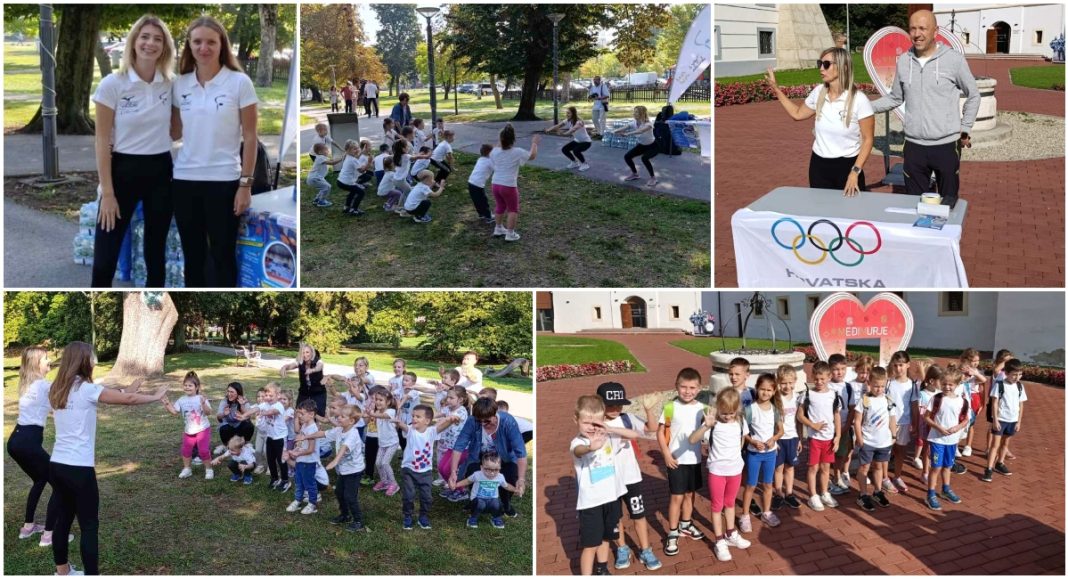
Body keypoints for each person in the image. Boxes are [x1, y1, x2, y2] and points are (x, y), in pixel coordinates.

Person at [47, 341, 168, 576]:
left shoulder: (57, 388)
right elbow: (127, 401)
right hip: (79, 469)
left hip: (58, 465)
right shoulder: (87, 390)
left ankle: (62, 572)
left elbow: (118, 396)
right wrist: (155, 396)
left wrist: (130, 388)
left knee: (63, 520)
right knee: (89, 526)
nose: (94, 362)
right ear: (84, 361)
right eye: (92, 358)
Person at [171, 16, 258, 287]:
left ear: (222, 45)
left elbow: (251, 136)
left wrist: (245, 184)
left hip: (224, 182)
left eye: (211, 42)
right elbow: (173, 133)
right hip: (184, 181)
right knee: (193, 257)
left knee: (222, 255)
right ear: (189, 45)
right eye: (197, 42)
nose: (203, 48)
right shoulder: (179, 84)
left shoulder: (239, 83)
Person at [91, 15, 176, 288]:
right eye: (144, 37)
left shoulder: (171, 84)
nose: (150, 43)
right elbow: (102, 141)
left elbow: (177, 131)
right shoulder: (112, 84)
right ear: (133, 42)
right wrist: (108, 192)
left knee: (155, 255)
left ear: (165, 47)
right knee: (106, 255)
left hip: (161, 172)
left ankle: (154, 305)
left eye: (157, 38)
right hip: (122, 173)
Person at [870, 9, 979, 206]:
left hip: (946, 146)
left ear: (935, 31)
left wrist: (965, 127)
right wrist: (863, 107)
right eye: (912, 28)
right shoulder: (904, 61)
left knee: (948, 204)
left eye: (923, 28)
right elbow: (895, 98)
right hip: (914, 147)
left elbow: (974, 95)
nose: (917, 34)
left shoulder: (953, 60)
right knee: (915, 205)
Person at [766, 47, 874, 195]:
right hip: (819, 166)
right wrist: (776, 89)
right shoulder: (818, 93)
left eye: (827, 64)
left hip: (848, 167)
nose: (821, 68)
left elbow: (868, 140)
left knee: (849, 214)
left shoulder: (859, 99)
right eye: (820, 64)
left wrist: (855, 171)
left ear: (843, 66)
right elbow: (797, 114)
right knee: (822, 213)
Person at [597, 382, 663, 571]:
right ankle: (622, 548)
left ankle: (645, 549)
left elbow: (650, 428)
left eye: (619, 404)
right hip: (610, 480)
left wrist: (649, 409)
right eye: (610, 405)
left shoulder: (627, 418)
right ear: (600, 404)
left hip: (631, 478)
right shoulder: (595, 424)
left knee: (639, 514)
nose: (616, 409)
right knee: (615, 517)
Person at [570, 395, 638, 575]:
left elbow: (634, 435)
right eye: (586, 423)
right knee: (591, 544)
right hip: (591, 503)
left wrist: (609, 428)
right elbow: (578, 451)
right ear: (576, 420)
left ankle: (602, 568)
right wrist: (591, 447)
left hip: (611, 498)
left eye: (597, 423)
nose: (592, 427)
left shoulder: (608, 437)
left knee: (607, 537)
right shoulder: (579, 442)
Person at [8, 347, 64, 547]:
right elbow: (63, 400)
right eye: (46, 358)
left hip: (16, 441)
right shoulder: (42, 385)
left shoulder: (27, 384)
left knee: (41, 479)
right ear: (35, 364)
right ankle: (49, 535)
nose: (50, 360)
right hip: (28, 442)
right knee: (60, 483)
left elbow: (50, 407)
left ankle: (28, 527)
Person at [689, 388, 752, 562]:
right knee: (717, 507)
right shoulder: (713, 423)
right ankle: (719, 540)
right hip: (717, 471)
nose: (727, 416)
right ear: (718, 407)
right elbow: (693, 440)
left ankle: (731, 534)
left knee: (730, 504)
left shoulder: (739, 421)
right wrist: (705, 426)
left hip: (735, 470)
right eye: (724, 413)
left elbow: (742, 439)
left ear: (737, 409)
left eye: (731, 413)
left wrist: (736, 456)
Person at [448, 397, 528, 518]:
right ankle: (474, 501)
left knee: (511, 474)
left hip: (504, 459)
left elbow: (521, 453)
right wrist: (453, 472)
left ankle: (506, 504)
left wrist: (521, 479)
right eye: (479, 420)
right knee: (472, 471)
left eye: (486, 421)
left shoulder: (508, 421)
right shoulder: (472, 421)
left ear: (495, 414)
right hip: (479, 457)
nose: (482, 423)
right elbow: (459, 446)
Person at [657, 367, 708, 557]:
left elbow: (706, 431)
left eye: (692, 387)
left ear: (699, 388)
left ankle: (686, 524)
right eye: (683, 387)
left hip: (694, 459)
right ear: (676, 386)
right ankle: (672, 531)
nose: (688, 391)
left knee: (690, 494)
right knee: (676, 497)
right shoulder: (670, 407)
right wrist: (666, 455)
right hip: (676, 460)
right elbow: (660, 432)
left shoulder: (702, 408)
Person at [302, 404, 368, 532]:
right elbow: (323, 433)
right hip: (344, 470)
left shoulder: (353, 434)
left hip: (354, 471)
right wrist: (306, 436)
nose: (338, 417)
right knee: (339, 493)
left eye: (342, 416)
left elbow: (343, 448)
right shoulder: (339, 430)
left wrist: (335, 461)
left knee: (350, 496)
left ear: (351, 421)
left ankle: (358, 521)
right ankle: (345, 515)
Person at [394, 404, 458, 529]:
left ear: (427, 421)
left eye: (418, 417)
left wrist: (451, 420)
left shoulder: (431, 432)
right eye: (413, 416)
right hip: (409, 470)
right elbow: (402, 425)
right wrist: (397, 422)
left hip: (425, 472)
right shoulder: (411, 430)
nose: (414, 419)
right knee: (408, 495)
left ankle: (423, 516)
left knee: (427, 497)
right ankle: (408, 516)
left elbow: (442, 426)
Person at [738, 374, 784, 531]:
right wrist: (752, 442)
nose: (765, 393)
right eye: (762, 389)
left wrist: (774, 439)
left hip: (770, 454)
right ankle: (744, 515)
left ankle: (767, 511)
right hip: (754, 454)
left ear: (774, 391)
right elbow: (744, 432)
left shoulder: (775, 410)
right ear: (757, 389)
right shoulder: (750, 409)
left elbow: (781, 430)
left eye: (769, 390)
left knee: (767, 484)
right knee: (750, 485)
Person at [796, 361, 842, 511]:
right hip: (814, 439)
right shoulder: (808, 394)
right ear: (812, 377)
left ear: (829, 377)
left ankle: (824, 493)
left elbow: (837, 417)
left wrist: (838, 436)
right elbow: (799, 416)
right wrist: (812, 425)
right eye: (816, 379)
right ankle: (813, 496)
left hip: (829, 439)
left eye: (822, 379)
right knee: (813, 468)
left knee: (825, 468)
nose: (819, 382)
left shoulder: (834, 395)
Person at [923, 366, 969, 510]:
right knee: (936, 467)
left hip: (952, 440)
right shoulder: (936, 399)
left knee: (948, 466)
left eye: (950, 384)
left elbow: (965, 420)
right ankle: (930, 494)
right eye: (944, 384)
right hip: (937, 440)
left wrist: (957, 428)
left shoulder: (962, 401)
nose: (947, 387)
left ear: (957, 385)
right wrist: (939, 428)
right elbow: (926, 418)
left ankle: (945, 489)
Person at [853, 367, 897, 512]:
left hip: (883, 442)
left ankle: (877, 491)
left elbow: (892, 419)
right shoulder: (864, 400)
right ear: (869, 384)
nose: (879, 389)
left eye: (882, 386)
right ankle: (863, 494)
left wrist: (894, 435)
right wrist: (859, 438)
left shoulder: (888, 400)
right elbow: (858, 421)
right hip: (868, 441)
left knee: (878, 467)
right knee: (864, 467)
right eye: (876, 386)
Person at [490, 124, 540, 242]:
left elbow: (499, 147)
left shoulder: (494, 151)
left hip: (495, 184)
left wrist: (503, 136)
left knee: (500, 205)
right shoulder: (517, 152)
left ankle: (498, 228)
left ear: (501, 139)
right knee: (513, 209)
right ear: (513, 139)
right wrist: (534, 143)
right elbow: (532, 156)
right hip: (508, 185)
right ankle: (510, 234)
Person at [161, 371, 215, 480]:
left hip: (202, 429)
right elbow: (174, 412)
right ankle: (187, 469)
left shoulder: (201, 398)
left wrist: (203, 404)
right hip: (188, 430)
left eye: (190, 385)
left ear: (197, 387)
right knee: (186, 450)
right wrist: (167, 404)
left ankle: (209, 469)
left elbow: (209, 413)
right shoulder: (182, 400)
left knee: (203, 450)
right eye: (185, 385)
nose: (187, 387)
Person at [237, 382, 289, 491]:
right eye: (266, 395)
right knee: (270, 459)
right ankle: (274, 478)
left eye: (271, 396)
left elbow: (272, 411)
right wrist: (244, 415)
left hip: (280, 438)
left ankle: (285, 480)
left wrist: (263, 413)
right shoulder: (265, 404)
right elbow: (255, 409)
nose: (268, 398)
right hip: (270, 436)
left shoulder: (279, 405)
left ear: (278, 395)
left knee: (281, 460)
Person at [982, 359, 1026, 482]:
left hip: (1012, 420)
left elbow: (1021, 405)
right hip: (1001, 420)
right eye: (1014, 374)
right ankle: (989, 469)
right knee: (994, 445)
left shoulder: (1019, 386)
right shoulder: (999, 385)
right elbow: (995, 404)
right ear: (1006, 373)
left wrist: (1019, 421)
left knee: (1005, 444)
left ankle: (1000, 463)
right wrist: (995, 420)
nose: (1017, 377)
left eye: (1019, 374)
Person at [452, 450, 519, 529]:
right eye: (488, 469)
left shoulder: (500, 477)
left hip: (491, 500)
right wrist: (455, 485)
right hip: (478, 500)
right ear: (481, 467)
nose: (492, 473)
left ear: (500, 468)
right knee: (480, 503)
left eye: (496, 469)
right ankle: (473, 518)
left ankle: (496, 518)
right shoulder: (477, 475)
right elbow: (467, 481)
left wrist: (515, 489)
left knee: (497, 503)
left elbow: (506, 486)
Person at [771, 364, 803, 511]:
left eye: (790, 383)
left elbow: (799, 420)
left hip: (792, 437)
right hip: (779, 439)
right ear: (778, 382)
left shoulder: (797, 398)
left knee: (790, 467)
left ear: (795, 381)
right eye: (783, 383)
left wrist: (800, 439)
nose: (787, 386)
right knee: (778, 468)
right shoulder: (775, 399)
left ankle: (789, 493)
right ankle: (778, 494)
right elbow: (770, 421)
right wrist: (773, 439)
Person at [886, 351, 919, 493]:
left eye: (901, 365)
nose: (898, 368)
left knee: (901, 451)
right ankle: (884, 478)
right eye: (896, 365)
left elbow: (914, 406)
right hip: (888, 423)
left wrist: (915, 424)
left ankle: (897, 476)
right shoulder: (888, 383)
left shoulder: (912, 385)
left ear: (907, 365)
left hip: (904, 422)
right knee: (886, 451)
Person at [827, 353, 857, 496]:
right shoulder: (826, 386)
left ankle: (837, 477)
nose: (840, 372)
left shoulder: (848, 387)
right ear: (829, 370)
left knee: (840, 455)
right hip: (827, 429)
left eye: (843, 368)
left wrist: (845, 427)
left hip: (844, 427)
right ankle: (826, 480)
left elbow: (852, 409)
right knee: (826, 457)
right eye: (836, 369)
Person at [285, 400, 322, 515]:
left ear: (311, 414)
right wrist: (294, 450)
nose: (299, 416)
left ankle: (312, 504)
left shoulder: (312, 429)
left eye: (302, 413)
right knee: (299, 482)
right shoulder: (305, 425)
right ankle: (298, 500)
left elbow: (311, 449)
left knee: (309, 483)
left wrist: (297, 454)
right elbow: (301, 443)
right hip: (301, 460)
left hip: (309, 462)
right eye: (298, 413)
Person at [366, 386, 401, 496]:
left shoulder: (390, 411)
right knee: (378, 463)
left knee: (385, 463)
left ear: (388, 402)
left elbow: (383, 416)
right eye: (376, 399)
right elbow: (371, 416)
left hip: (392, 443)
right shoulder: (377, 411)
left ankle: (394, 484)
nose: (377, 402)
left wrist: (372, 413)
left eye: (381, 400)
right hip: (382, 443)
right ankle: (384, 481)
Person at [613, 106, 658, 188]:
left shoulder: (648, 124)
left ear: (642, 114)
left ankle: (653, 178)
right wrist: (616, 131)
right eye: (634, 111)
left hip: (653, 146)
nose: (634, 113)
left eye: (636, 112)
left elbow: (640, 131)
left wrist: (627, 134)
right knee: (627, 156)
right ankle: (635, 174)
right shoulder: (633, 122)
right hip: (641, 145)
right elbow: (625, 127)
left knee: (644, 158)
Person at [280, 344, 327, 418]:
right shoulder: (300, 361)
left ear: (312, 352)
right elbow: (291, 365)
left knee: (317, 416)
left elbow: (319, 367)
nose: (305, 355)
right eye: (303, 353)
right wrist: (285, 367)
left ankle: (317, 428)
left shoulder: (318, 361)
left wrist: (312, 370)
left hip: (318, 392)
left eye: (307, 352)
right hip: (304, 392)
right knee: (299, 413)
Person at [547, 106, 592, 172]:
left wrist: (563, 134)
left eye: (568, 113)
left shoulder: (579, 122)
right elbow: (558, 125)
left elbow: (572, 130)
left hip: (586, 142)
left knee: (576, 151)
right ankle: (575, 163)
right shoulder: (567, 120)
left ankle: (585, 164)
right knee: (565, 149)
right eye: (566, 113)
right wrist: (548, 130)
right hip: (577, 141)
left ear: (573, 114)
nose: (567, 114)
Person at [215, 382, 254, 453]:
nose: (229, 394)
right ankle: (226, 445)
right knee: (224, 428)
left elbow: (248, 418)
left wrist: (242, 407)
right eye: (228, 391)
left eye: (232, 392)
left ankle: (246, 444)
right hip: (229, 428)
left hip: (240, 427)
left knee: (249, 425)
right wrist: (224, 414)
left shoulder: (243, 401)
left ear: (238, 393)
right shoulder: (224, 401)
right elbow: (218, 418)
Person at [466, 143, 496, 224]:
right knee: (483, 201)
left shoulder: (480, 159)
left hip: (471, 182)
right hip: (478, 184)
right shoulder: (490, 161)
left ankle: (481, 214)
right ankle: (488, 217)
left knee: (477, 200)